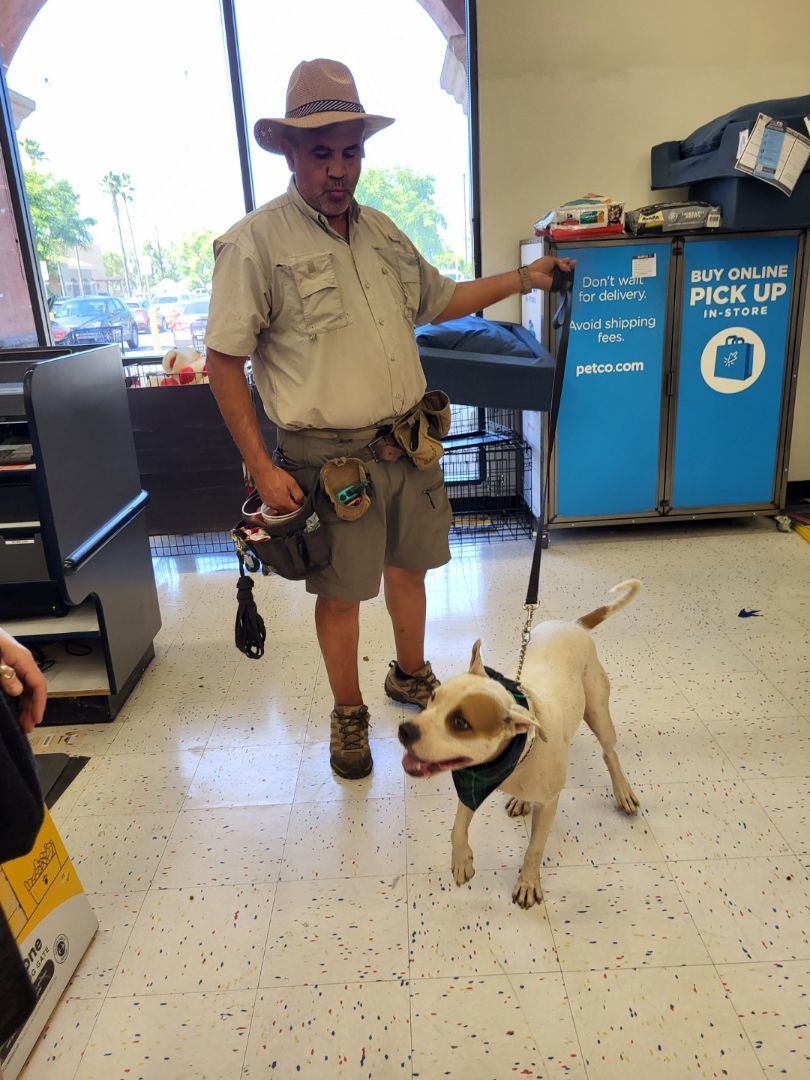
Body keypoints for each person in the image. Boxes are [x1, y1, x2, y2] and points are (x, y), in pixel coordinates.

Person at [205, 58, 573, 781]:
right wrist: (262, 465)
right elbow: (223, 362)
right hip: (326, 460)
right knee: (341, 594)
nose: (339, 169)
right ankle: (348, 716)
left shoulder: (380, 234)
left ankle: (410, 676)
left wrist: (523, 278)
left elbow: (441, 299)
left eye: (350, 151)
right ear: (287, 150)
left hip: (408, 443)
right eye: (321, 153)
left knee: (412, 569)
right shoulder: (254, 244)